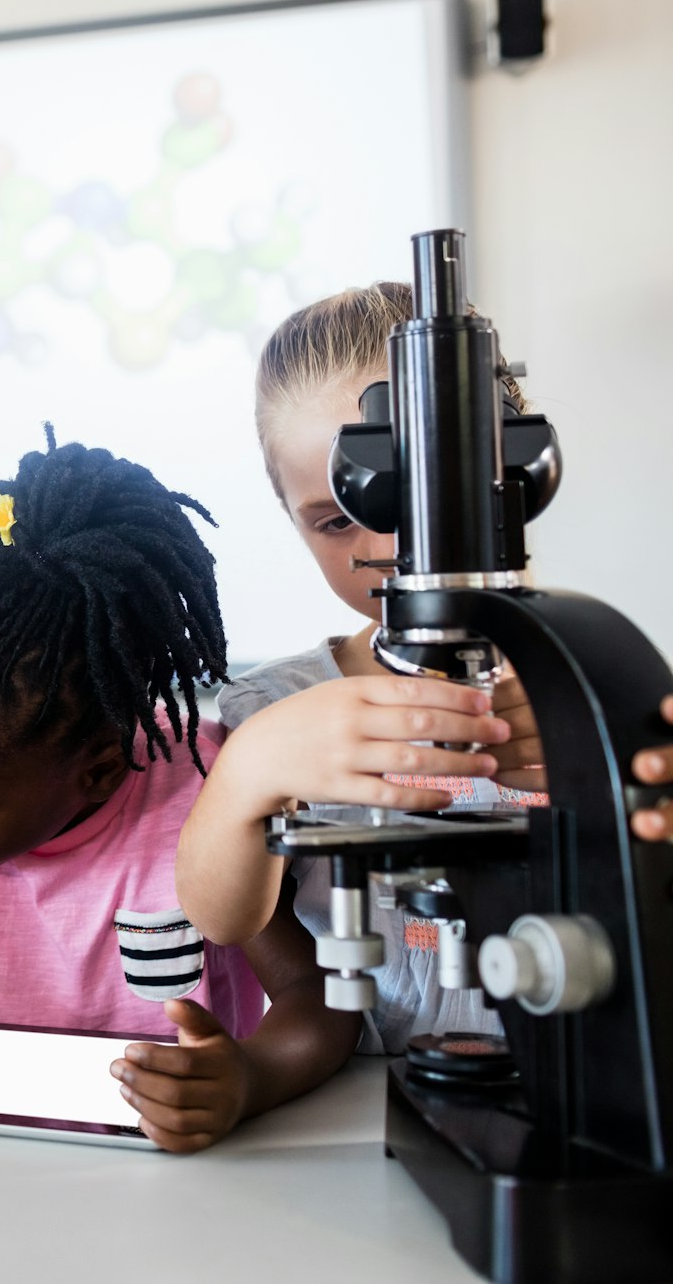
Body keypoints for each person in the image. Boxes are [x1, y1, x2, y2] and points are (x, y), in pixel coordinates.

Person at [0, 430, 360, 1153]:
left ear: (96, 771)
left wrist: (247, 1077)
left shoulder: (200, 800)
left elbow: (317, 1002)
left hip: (167, 1162)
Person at [175, 284, 555, 1054]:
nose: (383, 544)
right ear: (291, 516)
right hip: (358, 1105)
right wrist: (253, 768)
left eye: (410, 500)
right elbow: (223, 916)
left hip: (570, 1084)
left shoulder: (582, 674)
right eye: (336, 518)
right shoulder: (276, 707)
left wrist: (604, 760)